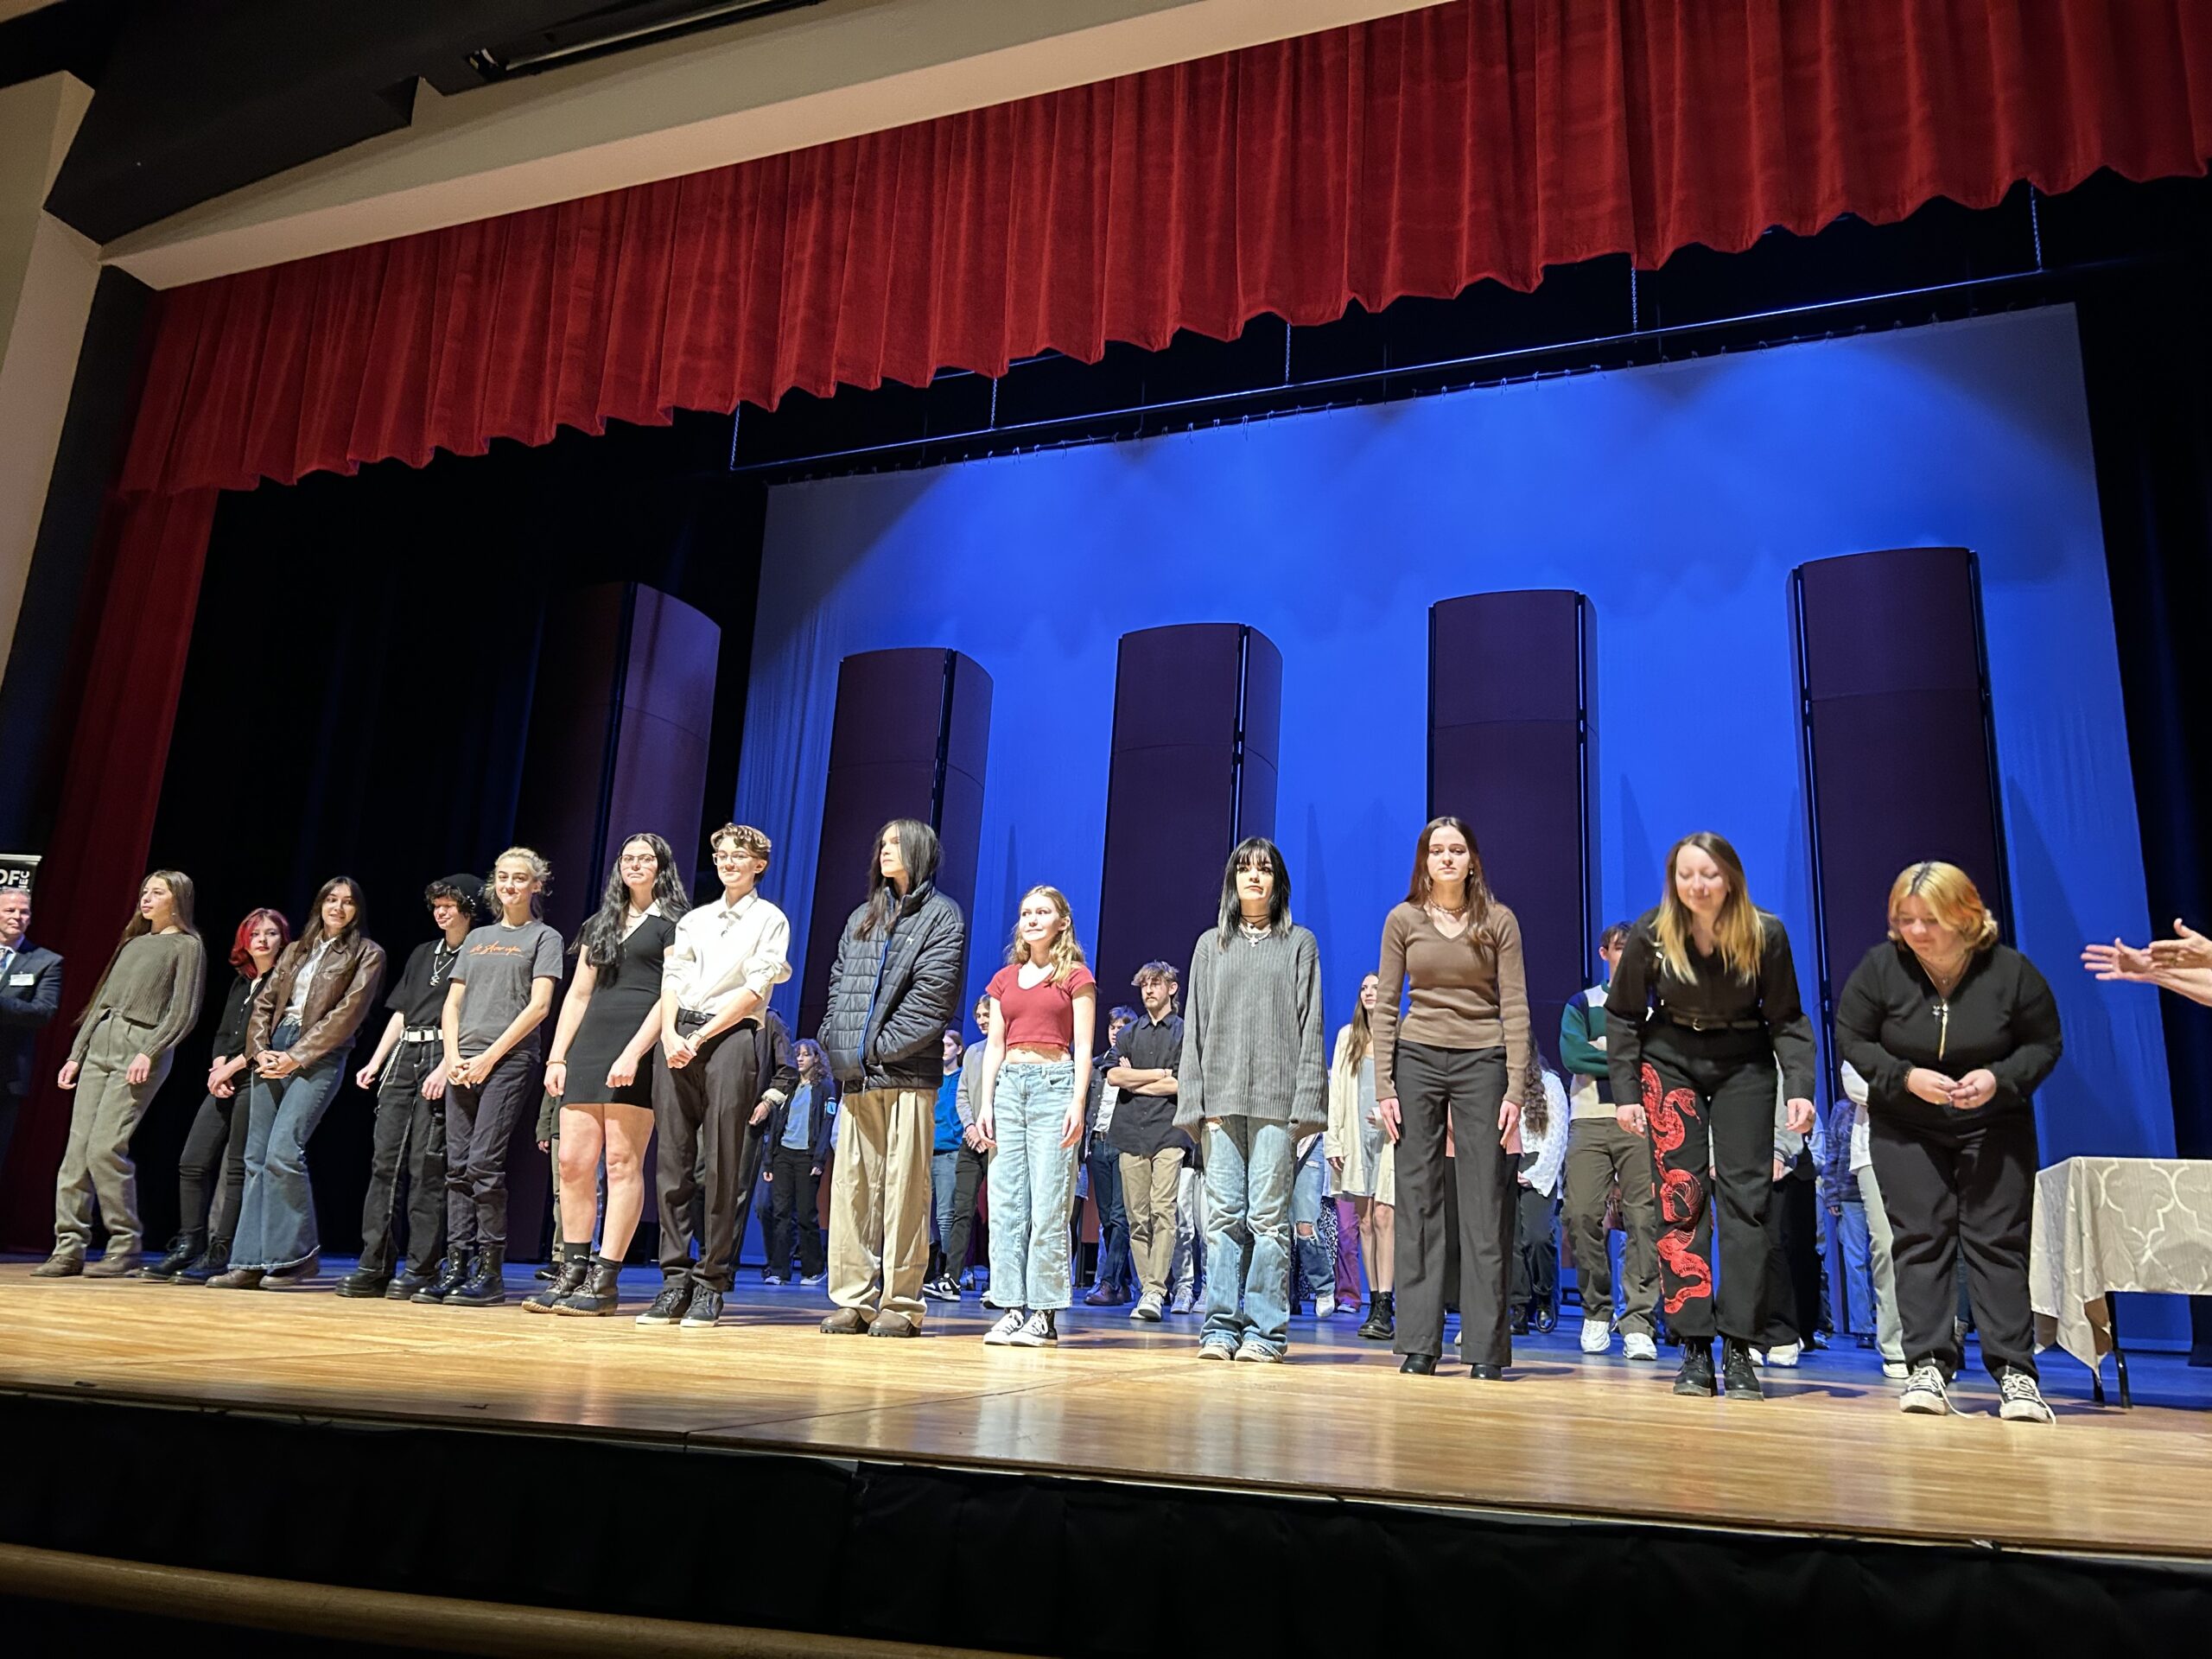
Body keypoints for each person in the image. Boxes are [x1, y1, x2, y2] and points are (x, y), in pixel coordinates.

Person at [1835, 861, 2063, 1422]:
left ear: (1966, 916)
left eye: (1930, 920)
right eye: (1905, 919)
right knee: (1920, 1240)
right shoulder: (1881, 968)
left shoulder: (2010, 972)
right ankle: (1928, 1366)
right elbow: (1853, 1037)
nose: (1916, 931)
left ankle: (2015, 1373)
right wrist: (1904, 1077)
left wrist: (1998, 1079)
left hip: (1994, 1123)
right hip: (1906, 1124)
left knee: (1997, 1243)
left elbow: (2044, 1043)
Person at [1606, 831, 1816, 1402]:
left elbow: (1788, 1019)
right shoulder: (1653, 932)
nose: (1696, 886)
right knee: (1682, 1199)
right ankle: (1694, 1346)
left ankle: (1740, 1346)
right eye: (1685, 875)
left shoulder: (1765, 933)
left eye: (1708, 875)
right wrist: (1626, 1093)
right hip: (1671, 1060)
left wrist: (1800, 1088)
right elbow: (1623, 1015)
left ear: (1731, 879)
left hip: (1745, 1062)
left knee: (1748, 1205)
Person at [1371, 816, 1531, 1381]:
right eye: (1436, 850)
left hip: (1483, 1058)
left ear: (1471, 860)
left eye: (1456, 850)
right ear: (1424, 860)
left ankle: (1485, 1348)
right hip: (1417, 1058)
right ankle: (1420, 1342)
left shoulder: (1499, 921)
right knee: (1418, 1199)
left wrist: (1516, 1087)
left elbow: (1515, 1006)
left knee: (1485, 1203)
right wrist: (1384, 1086)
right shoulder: (1403, 920)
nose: (1446, 858)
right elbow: (1385, 1006)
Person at [1173, 836, 1325, 1363]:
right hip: (1219, 1100)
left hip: (1278, 1105)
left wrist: (1307, 1105)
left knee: (1269, 1222)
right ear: (1232, 881)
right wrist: (1193, 1104)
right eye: (1244, 868)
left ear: (1277, 881)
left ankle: (1265, 1332)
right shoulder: (1209, 945)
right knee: (1222, 1221)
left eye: (1263, 869)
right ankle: (1218, 1328)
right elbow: (1195, 1028)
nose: (1253, 877)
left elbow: (1311, 1026)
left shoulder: (1300, 943)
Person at [817, 818, 966, 1338]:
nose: (885, 850)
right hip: (857, 1077)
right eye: (881, 842)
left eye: (896, 844)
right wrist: (838, 1041)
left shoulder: (943, 916)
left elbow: (933, 1000)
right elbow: (838, 985)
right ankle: (853, 1299)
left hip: (908, 1074)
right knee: (853, 1189)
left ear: (921, 852)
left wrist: (874, 1048)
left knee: (905, 1191)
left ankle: (901, 1301)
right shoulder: (862, 917)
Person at [640, 823, 791, 1332]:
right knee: (673, 1162)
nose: (728, 862)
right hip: (678, 1035)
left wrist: (702, 1036)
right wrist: (668, 1034)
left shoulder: (770, 919)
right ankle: (674, 1280)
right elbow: (673, 980)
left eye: (739, 855)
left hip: (730, 1036)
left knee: (723, 1166)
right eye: (722, 854)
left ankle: (710, 1281)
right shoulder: (695, 919)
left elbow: (755, 989)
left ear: (759, 865)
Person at [533, 835, 690, 1317]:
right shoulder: (599, 923)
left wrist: (634, 1053)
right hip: (588, 1048)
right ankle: (572, 1270)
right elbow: (578, 994)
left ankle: (605, 1278)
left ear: (662, 866)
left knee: (622, 1162)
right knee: (572, 1163)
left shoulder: (676, 923)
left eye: (646, 859)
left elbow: (671, 996)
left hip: (636, 1046)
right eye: (628, 858)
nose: (635, 865)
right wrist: (557, 1057)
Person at [209, 878, 385, 1289]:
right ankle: (250, 1261)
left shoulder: (367, 953)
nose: (338, 908)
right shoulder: (296, 950)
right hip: (274, 1050)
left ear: (357, 910)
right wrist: (260, 1050)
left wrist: (297, 1056)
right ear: (320, 905)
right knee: (255, 1156)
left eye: (347, 902)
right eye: (331, 900)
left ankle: (296, 1257)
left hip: (319, 1054)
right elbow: (264, 1004)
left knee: (284, 1151)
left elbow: (347, 1014)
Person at [37, 871, 205, 1278]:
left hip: (139, 1048)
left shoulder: (187, 946)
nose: (146, 898)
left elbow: (183, 1012)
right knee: (76, 1153)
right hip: (101, 1045)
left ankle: (125, 1244)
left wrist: (150, 1050)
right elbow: (101, 1003)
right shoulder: (134, 943)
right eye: (145, 891)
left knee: (104, 1149)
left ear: (177, 899)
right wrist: (76, 1054)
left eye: (157, 892)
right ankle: (68, 1248)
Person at [429, 849, 563, 1308]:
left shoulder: (544, 937)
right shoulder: (478, 937)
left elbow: (539, 1006)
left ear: (536, 885)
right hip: (462, 1061)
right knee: (457, 1167)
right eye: (503, 877)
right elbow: (453, 1003)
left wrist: (489, 1057)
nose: (510, 885)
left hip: (508, 1061)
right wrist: (452, 1057)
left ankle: (490, 1271)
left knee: (483, 1164)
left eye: (520, 878)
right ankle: (457, 1264)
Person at [340, 876, 480, 1299]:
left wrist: (447, 1065)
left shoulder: (479, 952)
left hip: (442, 1051)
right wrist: (376, 1061)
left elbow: (471, 1017)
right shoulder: (423, 953)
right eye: (437, 905)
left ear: (469, 909)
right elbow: (401, 1012)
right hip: (405, 1053)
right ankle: (374, 1264)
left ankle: (421, 1267)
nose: (441, 912)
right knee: (385, 1163)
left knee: (426, 1165)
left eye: (450, 905)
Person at [976, 886, 1096, 1348]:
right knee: (1007, 1203)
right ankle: (1011, 1306)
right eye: (1026, 912)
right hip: (1010, 1088)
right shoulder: (1004, 979)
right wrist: (986, 1103)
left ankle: (1043, 1314)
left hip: (1054, 1085)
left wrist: (1077, 1103)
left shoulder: (1075, 975)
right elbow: (994, 1045)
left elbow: (1083, 1047)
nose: (1031, 919)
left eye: (1042, 912)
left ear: (1062, 922)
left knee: (1049, 1204)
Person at [144, 908, 287, 1283]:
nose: (262, 940)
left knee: (236, 1167)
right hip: (226, 1077)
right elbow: (225, 1033)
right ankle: (189, 1244)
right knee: (192, 1162)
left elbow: (270, 1037)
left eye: (271, 933)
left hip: (257, 1078)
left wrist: (232, 1067)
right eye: (255, 934)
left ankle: (221, 1249)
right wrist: (218, 1067)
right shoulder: (242, 982)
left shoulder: (284, 981)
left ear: (283, 940)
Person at [1560, 921, 1660, 1359]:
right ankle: (1596, 1311)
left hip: (1641, 1121)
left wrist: (1606, 1053)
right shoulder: (1583, 1003)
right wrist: (1626, 1059)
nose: (1627, 955)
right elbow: (1573, 1055)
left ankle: (1638, 1320)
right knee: (1580, 1213)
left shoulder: (1654, 1007)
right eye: (1620, 948)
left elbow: (1658, 1062)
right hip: (1590, 1119)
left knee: (1643, 1219)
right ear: (1604, 953)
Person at [1109, 963, 1188, 1323]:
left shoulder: (1184, 1033)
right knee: (1137, 1216)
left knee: (1163, 1211)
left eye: (1156, 984)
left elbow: (1181, 1084)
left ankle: (1155, 1290)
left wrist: (1136, 1079)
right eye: (1144, 985)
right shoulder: (1129, 1033)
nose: (1148, 990)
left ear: (1172, 988)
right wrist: (1158, 1074)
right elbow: (1114, 1076)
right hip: (1130, 1131)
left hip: (1169, 1130)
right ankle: (1146, 1288)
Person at [1326, 972, 1395, 1341]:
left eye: (1376, 988)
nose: (1369, 993)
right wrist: (1333, 1141)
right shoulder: (1347, 1037)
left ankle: (1386, 1301)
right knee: (1365, 1222)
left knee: (1385, 1217)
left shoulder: (1397, 1036)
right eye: (1365, 988)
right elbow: (1337, 1091)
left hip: (1389, 1139)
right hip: (1356, 1137)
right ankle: (1374, 1301)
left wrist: (1391, 1116)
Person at [1834, 1060, 1907, 1378]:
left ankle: (1934, 1344)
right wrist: (1916, 1089)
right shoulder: (1864, 1037)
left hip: (1931, 1145)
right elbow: (1855, 1081)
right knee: (1884, 1247)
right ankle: (1895, 1345)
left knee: (1931, 1243)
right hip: (1872, 1150)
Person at [928, 995, 995, 1300]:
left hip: (998, 1141)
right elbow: (963, 1094)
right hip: (971, 1142)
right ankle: (951, 1278)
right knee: (961, 1211)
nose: (981, 1020)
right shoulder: (974, 1053)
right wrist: (970, 1127)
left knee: (999, 1213)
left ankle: (998, 1281)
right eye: (978, 1015)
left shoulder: (1011, 1051)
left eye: (987, 1015)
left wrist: (989, 1131)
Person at [0, 883, 62, 1185]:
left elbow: (43, 1012)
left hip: (7, 1075)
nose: (17, 916)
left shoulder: (46, 961)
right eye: (10, 910)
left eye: (24, 912)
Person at [763, 1037, 835, 1286]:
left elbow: (826, 1124)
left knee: (806, 1215)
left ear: (816, 1058)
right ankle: (779, 1270)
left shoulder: (825, 1087)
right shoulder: (789, 1086)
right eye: (797, 1055)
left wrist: (819, 1159)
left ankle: (814, 1269)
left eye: (806, 1054)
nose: (800, 1059)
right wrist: (769, 1161)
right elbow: (776, 1125)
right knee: (781, 1214)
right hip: (784, 1155)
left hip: (807, 1157)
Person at [1509, 1058, 1571, 1335]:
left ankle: (1544, 1296)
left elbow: (1557, 1136)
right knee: (1510, 1241)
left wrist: (1536, 1172)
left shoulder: (1549, 1083)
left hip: (1538, 1163)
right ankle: (1518, 1306)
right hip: (1506, 1162)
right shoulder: (1496, 1080)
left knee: (1537, 1237)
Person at [1081, 1005, 1136, 1306]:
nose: (1117, 1032)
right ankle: (1122, 1284)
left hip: (1123, 1143)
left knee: (1120, 1216)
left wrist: (1132, 1074)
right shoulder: (1096, 1065)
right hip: (1098, 1143)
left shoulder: (1137, 1065)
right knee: (1107, 1218)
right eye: (1113, 1027)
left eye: (1123, 1027)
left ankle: (1109, 1282)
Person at [928, 1027, 966, 1289]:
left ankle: (949, 1272)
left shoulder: (962, 1078)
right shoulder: (932, 1078)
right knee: (921, 1216)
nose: (943, 1049)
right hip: (924, 1152)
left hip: (949, 1152)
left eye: (949, 1045)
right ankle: (926, 1269)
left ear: (959, 1049)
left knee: (945, 1215)